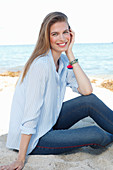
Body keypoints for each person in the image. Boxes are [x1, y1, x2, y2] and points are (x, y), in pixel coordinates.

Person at [0, 11, 113, 170]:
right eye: (55, 34)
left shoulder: (63, 60)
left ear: (71, 33)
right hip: (36, 139)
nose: (61, 38)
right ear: (46, 37)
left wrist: (70, 53)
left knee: (90, 102)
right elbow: (30, 115)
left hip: (48, 122)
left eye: (65, 32)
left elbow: (86, 90)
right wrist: (20, 159)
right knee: (97, 134)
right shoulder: (41, 66)